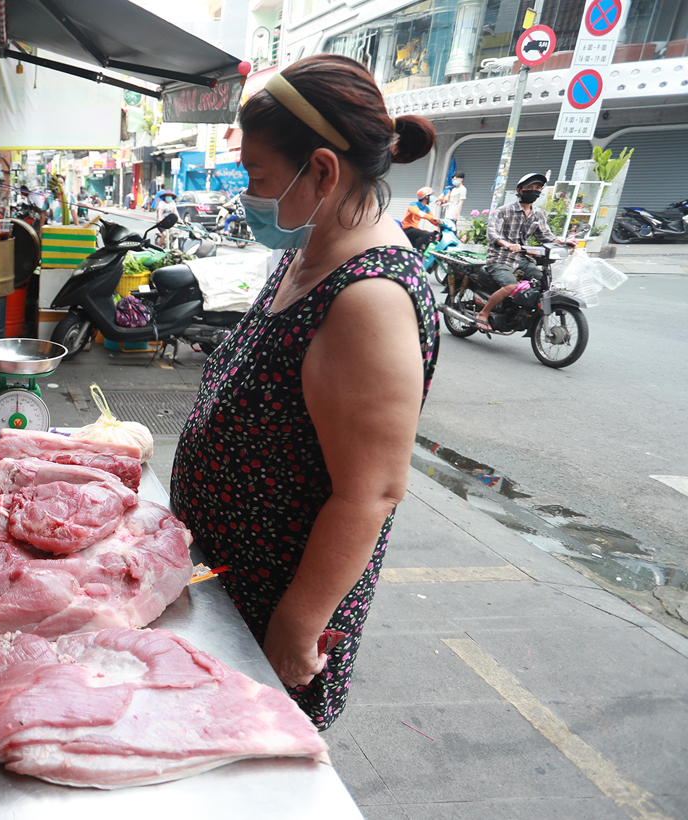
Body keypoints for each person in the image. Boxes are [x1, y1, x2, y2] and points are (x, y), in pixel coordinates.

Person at [169, 54, 440, 730]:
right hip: (225, 578)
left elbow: (371, 489)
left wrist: (297, 626)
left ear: (321, 170)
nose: (247, 192)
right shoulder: (305, 252)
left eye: (257, 175)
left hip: (275, 605)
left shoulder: (369, 298)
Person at [477, 172, 577, 331]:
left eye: (537, 188)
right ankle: (483, 313)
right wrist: (507, 244)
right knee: (510, 285)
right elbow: (492, 233)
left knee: (545, 284)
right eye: (529, 187)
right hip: (500, 258)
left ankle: (522, 312)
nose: (534, 190)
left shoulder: (537, 213)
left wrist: (564, 242)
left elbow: (545, 235)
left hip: (523, 259)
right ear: (520, 190)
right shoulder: (504, 211)